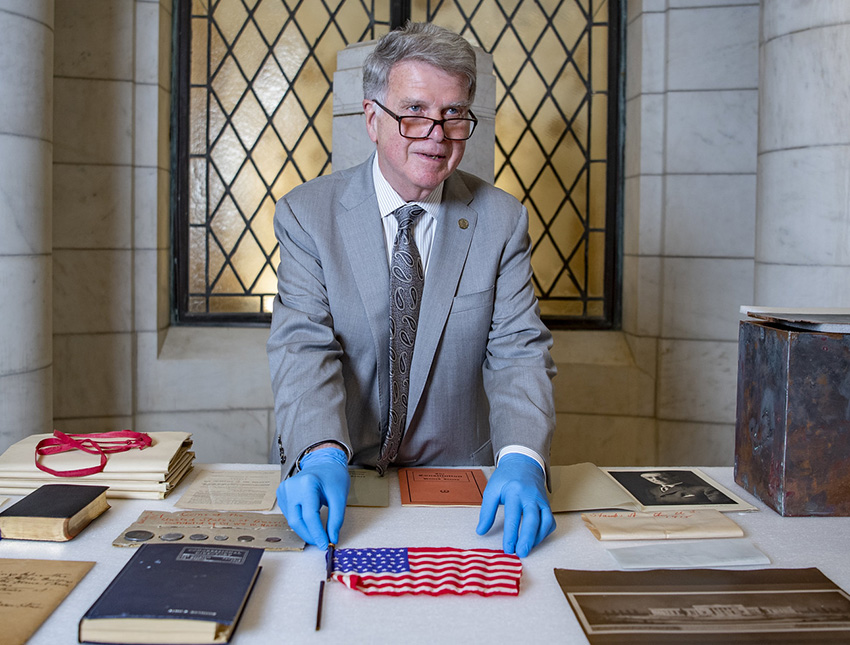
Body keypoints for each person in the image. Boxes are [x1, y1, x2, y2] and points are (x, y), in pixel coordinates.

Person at [267, 22, 557, 558]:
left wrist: (521, 458)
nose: (436, 134)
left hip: (458, 492)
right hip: (340, 476)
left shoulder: (502, 220)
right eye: (415, 112)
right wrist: (320, 453)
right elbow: (303, 347)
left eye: (454, 115)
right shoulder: (307, 215)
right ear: (372, 119)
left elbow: (519, 352)